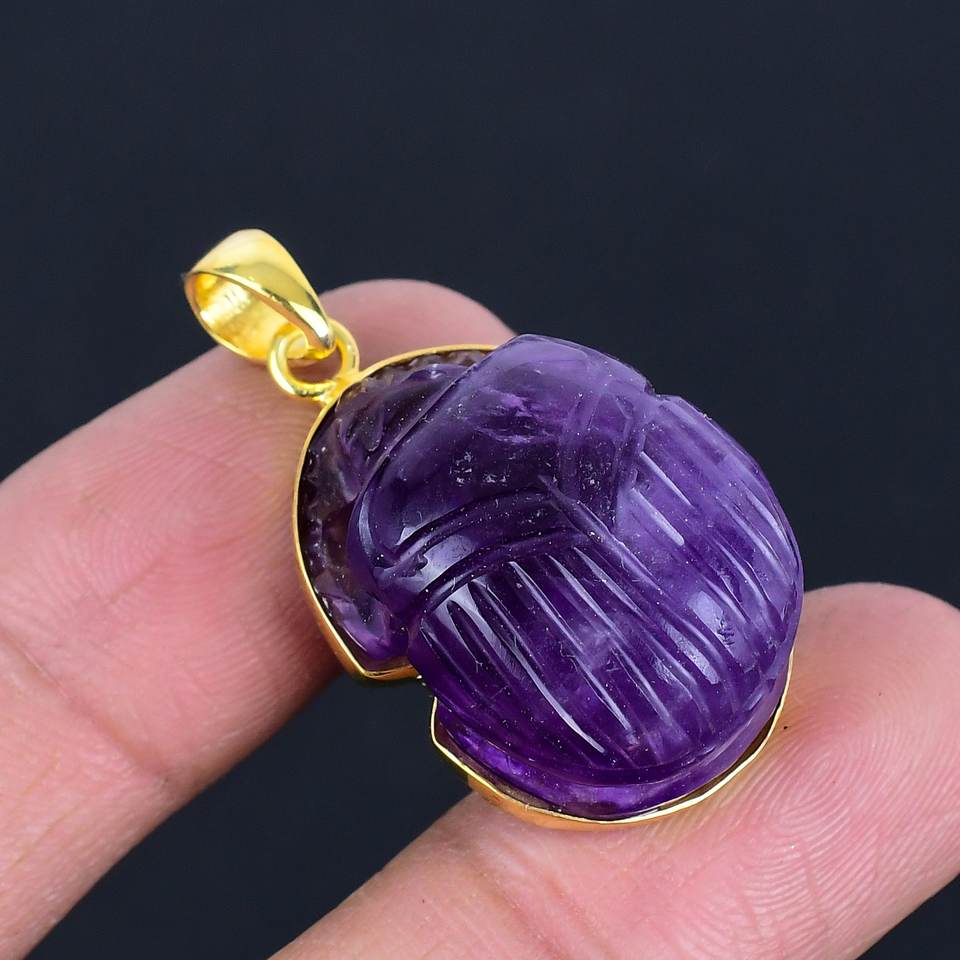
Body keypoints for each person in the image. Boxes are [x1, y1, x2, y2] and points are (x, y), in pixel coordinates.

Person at [1, 279, 957, 959]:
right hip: (722, 629)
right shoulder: (555, 391)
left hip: (637, 717)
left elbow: (372, 647)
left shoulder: (377, 551)